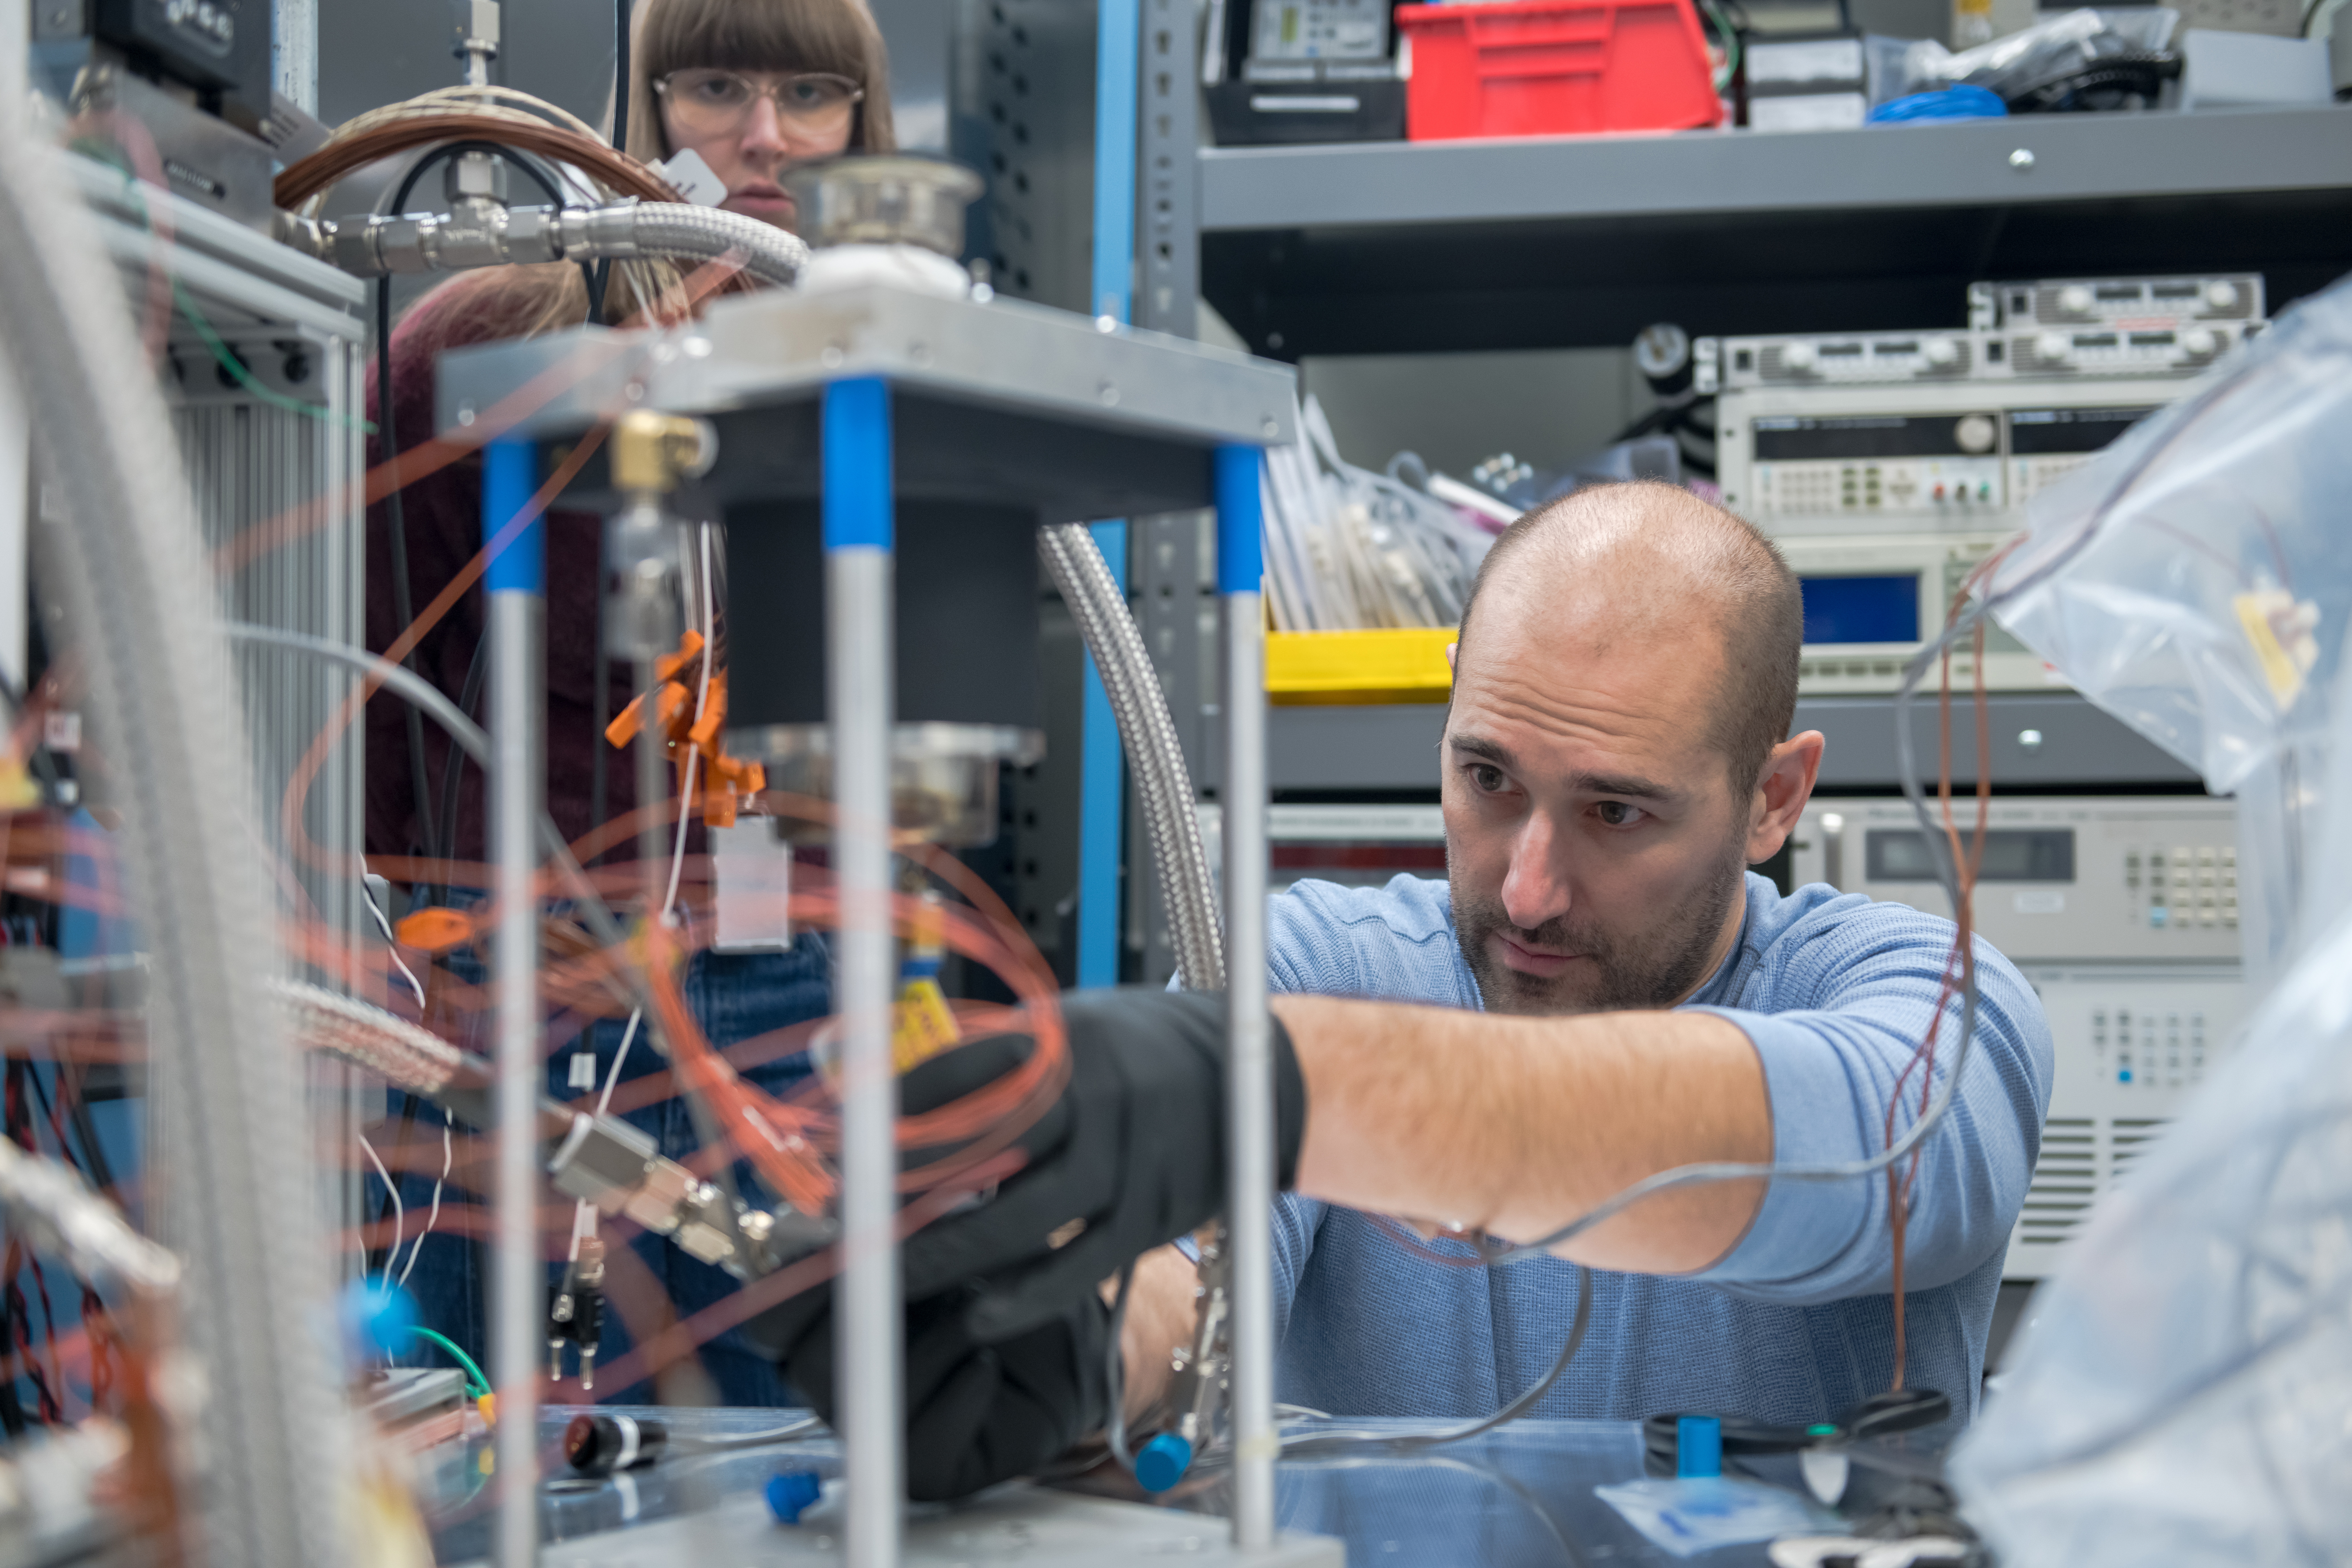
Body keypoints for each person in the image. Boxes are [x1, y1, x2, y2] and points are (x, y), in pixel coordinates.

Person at [754, 481, 2053, 1498]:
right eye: (1489, 780)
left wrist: (1297, 1084)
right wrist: (1077, 1345)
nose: (1530, 889)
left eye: (1614, 811)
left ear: (1774, 797)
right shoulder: (1324, 963)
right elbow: (1193, 1266)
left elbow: (1870, 1150)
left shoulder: (1927, 998)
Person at [362, 0, 893, 1405]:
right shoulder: (473, 357)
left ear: (863, 127)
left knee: (794, 1453)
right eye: (714, 84)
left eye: (812, 94)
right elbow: (384, 715)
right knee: (492, 1446)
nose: (764, 134)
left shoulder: (889, 374)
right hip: (529, 994)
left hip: (796, 997)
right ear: (640, 113)